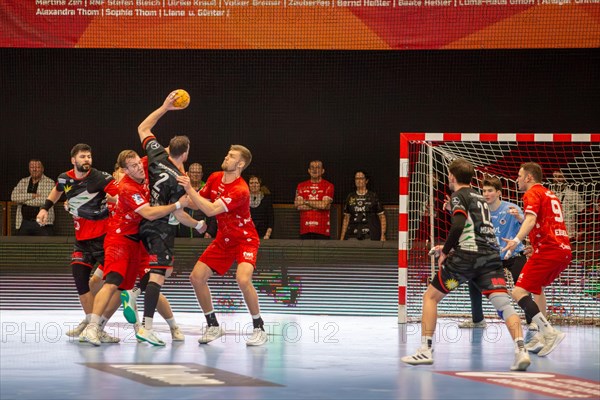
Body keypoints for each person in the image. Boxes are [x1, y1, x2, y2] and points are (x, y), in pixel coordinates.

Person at [402, 159, 530, 371]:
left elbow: (459, 225)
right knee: (504, 305)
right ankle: (520, 349)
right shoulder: (481, 199)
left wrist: (445, 250)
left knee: (430, 297)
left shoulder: (458, 196)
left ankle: (425, 348)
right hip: (489, 261)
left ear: (452, 176)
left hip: (465, 261)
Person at [79, 150, 191, 346]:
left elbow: (165, 151)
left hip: (139, 242)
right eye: (133, 166)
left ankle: (174, 328)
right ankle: (92, 328)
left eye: (139, 163)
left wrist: (180, 161)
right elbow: (148, 213)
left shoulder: (144, 166)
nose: (139, 167)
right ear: (124, 171)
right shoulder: (127, 188)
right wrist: (177, 204)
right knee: (113, 281)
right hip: (119, 239)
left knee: (146, 285)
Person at [130, 90, 207, 346]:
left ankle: (133, 292)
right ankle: (147, 326)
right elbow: (178, 212)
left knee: (157, 271)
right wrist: (198, 224)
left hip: (144, 222)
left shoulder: (155, 154)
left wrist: (165, 107)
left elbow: (143, 127)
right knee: (159, 276)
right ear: (185, 154)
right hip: (161, 227)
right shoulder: (181, 182)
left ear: (168, 147)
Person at [177, 144, 268, 346]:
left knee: (243, 279)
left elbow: (210, 210)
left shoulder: (240, 190)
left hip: (245, 239)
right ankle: (213, 326)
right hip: (223, 239)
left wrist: (189, 188)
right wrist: (178, 201)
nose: (226, 158)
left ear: (240, 163)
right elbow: (198, 202)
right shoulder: (215, 177)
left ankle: (259, 327)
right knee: (196, 277)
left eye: (231, 156)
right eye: (227, 154)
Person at [36, 144, 120, 341]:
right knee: (81, 283)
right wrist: (44, 208)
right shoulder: (64, 178)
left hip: (104, 240)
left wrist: (112, 200)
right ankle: (92, 324)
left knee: (115, 284)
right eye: (82, 157)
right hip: (81, 241)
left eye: (89, 156)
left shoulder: (100, 177)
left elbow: (119, 196)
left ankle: (97, 325)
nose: (87, 160)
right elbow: (56, 191)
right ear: (73, 160)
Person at [502, 162, 572, 357]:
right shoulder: (550, 194)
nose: (517, 179)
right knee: (537, 289)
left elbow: (531, 220)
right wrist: (535, 244)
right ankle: (543, 334)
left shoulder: (531, 193)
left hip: (549, 250)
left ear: (529, 178)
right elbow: (547, 222)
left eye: (519, 175)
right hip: (562, 249)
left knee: (517, 292)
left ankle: (549, 333)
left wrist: (516, 241)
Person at [459, 176, 528, 329]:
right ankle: (478, 320)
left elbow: (527, 224)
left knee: (523, 286)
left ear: (498, 193)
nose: (486, 194)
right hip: (491, 257)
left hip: (513, 254)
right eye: (484, 191)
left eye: (490, 191)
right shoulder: (479, 211)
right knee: (473, 279)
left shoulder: (511, 208)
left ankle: (530, 321)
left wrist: (518, 217)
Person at [11, 159, 56, 236]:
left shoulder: (50, 182)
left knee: (44, 247)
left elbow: (44, 201)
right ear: (29, 169)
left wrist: (23, 201)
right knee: (22, 247)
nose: (34, 169)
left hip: (43, 223)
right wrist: (31, 196)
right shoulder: (23, 181)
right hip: (24, 223)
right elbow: (14, 197)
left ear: (42, 169)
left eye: (37, 167)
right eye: (32, 167)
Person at [339, 170, 386, 241]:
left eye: (361, 178)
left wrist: (383, 234)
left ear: (366, 181)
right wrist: (342, 238)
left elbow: (382, 217)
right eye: (357, 179)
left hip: (369, 234)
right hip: (353, 234)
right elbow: (346, 218)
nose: (359, 181)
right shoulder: (351, 196)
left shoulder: (373, 196)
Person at [294, 160, 334, 239]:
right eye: (312, 168)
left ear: (323, 171)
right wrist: (319, 204)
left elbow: (323, 205)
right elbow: (298, 205)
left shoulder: (328, 185)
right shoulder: (301, 185)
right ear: (309, 171)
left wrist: (305, 201)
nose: (315, 170)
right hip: (305, 229)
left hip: (322, 230)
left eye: (318, 167)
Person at [176, 162, 217, 238]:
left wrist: (210, 232)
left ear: (202, 175)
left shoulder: (208, 190)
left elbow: (214, 213)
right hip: (182, 233)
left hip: (203, 233)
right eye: (193, 172)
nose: (195, 174)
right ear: (188, 174)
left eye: (198, 172)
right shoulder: (181, 189)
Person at [550, 170, 584, 240]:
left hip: (569, 235)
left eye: (560, 177)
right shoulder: (547, 194)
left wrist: (580, 231)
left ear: (565, 178)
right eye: (555, 177)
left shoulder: (574, 194)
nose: (557, 179)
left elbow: (582, 213)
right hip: (551, 235)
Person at [249, 175, 274, 240]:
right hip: (248, 233)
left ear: (260, 185)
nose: (254, 185)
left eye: (256, 183)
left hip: (263, 234)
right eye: (251, 183)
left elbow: (271, 219)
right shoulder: (244, 198)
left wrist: (267, 235)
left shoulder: (267, 199)